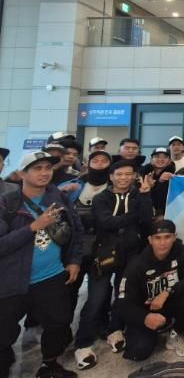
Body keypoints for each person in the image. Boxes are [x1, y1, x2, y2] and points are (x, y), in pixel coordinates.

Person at [0, 152, 84, 378]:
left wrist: (74, 260)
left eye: (48, 167)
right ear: (22, 174)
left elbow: (76, 230)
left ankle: (49, 364)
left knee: (58, 324)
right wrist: (33, 227)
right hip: (12, 280)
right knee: (4, 332)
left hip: (52, 276)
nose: (45, 173)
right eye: (37, 168)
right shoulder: (7, 203)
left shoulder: (59, 198)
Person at [74, 160, 155, 369]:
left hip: (131, 254)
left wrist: (145, 196)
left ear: (134, 176)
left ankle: (115, 329)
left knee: (123, 294)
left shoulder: (139, 195)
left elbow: (147, 220)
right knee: (96, 298)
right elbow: (107, 222)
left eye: (128, 174)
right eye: (119, 174)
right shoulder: (101, 198)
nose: (124, 178)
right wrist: (134, 215)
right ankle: (83, 343)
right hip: (104, 254)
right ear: (111, 176)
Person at [114, 219, 184, 361]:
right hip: (147, 310)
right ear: (150, 240)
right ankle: (150, 331)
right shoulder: (137, 265)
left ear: (174, 237)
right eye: (157, 238)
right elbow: (123, 301)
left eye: (167, 237)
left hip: (171, 302)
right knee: (138, 351)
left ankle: (175, 332)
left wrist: (168, 292)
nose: (162, 243)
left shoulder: (182, 252)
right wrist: (144, 318)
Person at [58, 151, 112, 328]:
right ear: (88, 163)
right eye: (95, 161)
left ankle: (96, 325)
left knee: (100, 292)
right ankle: (63, 328)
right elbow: (52, 203)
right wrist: (61, 191)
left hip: (103, 245)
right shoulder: (74, 185)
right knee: (70, 287)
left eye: (104, 161)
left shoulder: (115, 186)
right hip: (75, 246)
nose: (100, 164)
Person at [140, 148, 175, 217]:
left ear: (169, 161)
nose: (160, 159)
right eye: (157, 156)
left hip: (165, 214)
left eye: (165, 157)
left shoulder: (173, 178)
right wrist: (150, 187)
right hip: (143, 213)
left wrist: (160, 183)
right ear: (151, 160)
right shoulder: (142, 176)